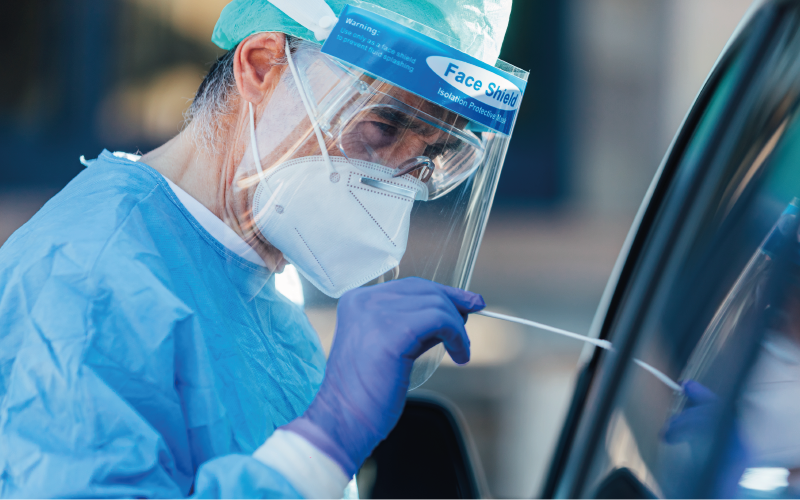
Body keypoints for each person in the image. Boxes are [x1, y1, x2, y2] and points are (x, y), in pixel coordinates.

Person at [0, 0, 522, 497]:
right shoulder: (86, 280)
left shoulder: (255, 281)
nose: (393, 183)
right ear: (262, 66)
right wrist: (328, 434)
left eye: (428, 154)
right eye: (382, 127)